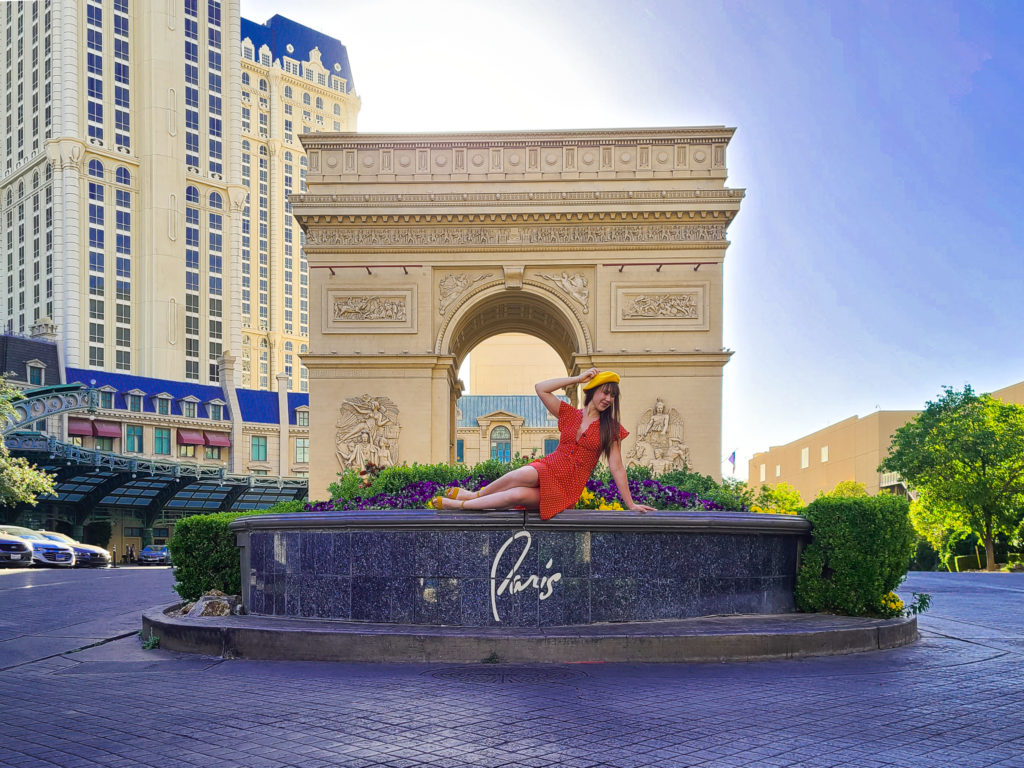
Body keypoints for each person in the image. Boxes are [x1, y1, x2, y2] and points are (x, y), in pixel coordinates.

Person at [430, 368, 656, 518]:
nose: (608, 399)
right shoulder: (569, 414)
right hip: (549, 467)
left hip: (567, 488)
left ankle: (460, 504)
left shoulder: (611, 429)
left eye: (612, 396)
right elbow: (541, 387)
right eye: (605, 392)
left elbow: (617, 467)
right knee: (519, 475)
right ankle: (471, 497)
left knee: (515, 496)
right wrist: (578, 379)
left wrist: (631, 503)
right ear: (592, 391)